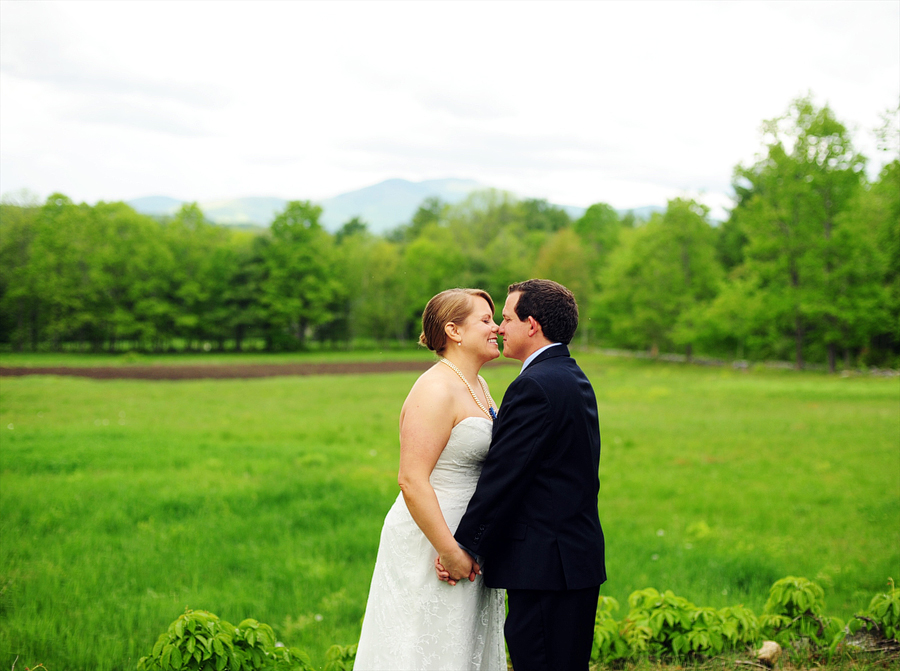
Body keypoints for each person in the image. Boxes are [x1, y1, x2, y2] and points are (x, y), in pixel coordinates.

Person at [437, 279, 606, 671]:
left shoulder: (534, 385)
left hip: (547, 566)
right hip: (570, 560)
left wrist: (462, 547)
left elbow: (505, 476)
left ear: (532, 325)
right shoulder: (569, 375)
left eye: (507, 319)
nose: (499, 327)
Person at [354, 288, 507, 670]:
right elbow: (411, 479)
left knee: (462, 641)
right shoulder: (435, 388)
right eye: (486, 320)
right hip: (433, 536)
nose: (498, 328)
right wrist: (449, 549)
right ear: (454, 331)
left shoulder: (479, 385)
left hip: (468, 532)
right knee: (424, 640)